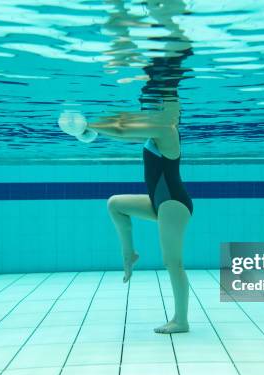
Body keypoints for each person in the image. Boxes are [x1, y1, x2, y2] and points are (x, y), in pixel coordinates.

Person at [58, 0, 193, 334]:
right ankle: (129, 253)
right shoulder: (157, 129)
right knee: (115, 204)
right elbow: (122, 122)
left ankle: (182, 320)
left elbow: (120, 127)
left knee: (172, 262)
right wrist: (93, 128)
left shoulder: (168, 131)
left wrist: (91, 125)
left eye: (160, 104)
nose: (153, 108)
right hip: (160, 202)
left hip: (174, 205)